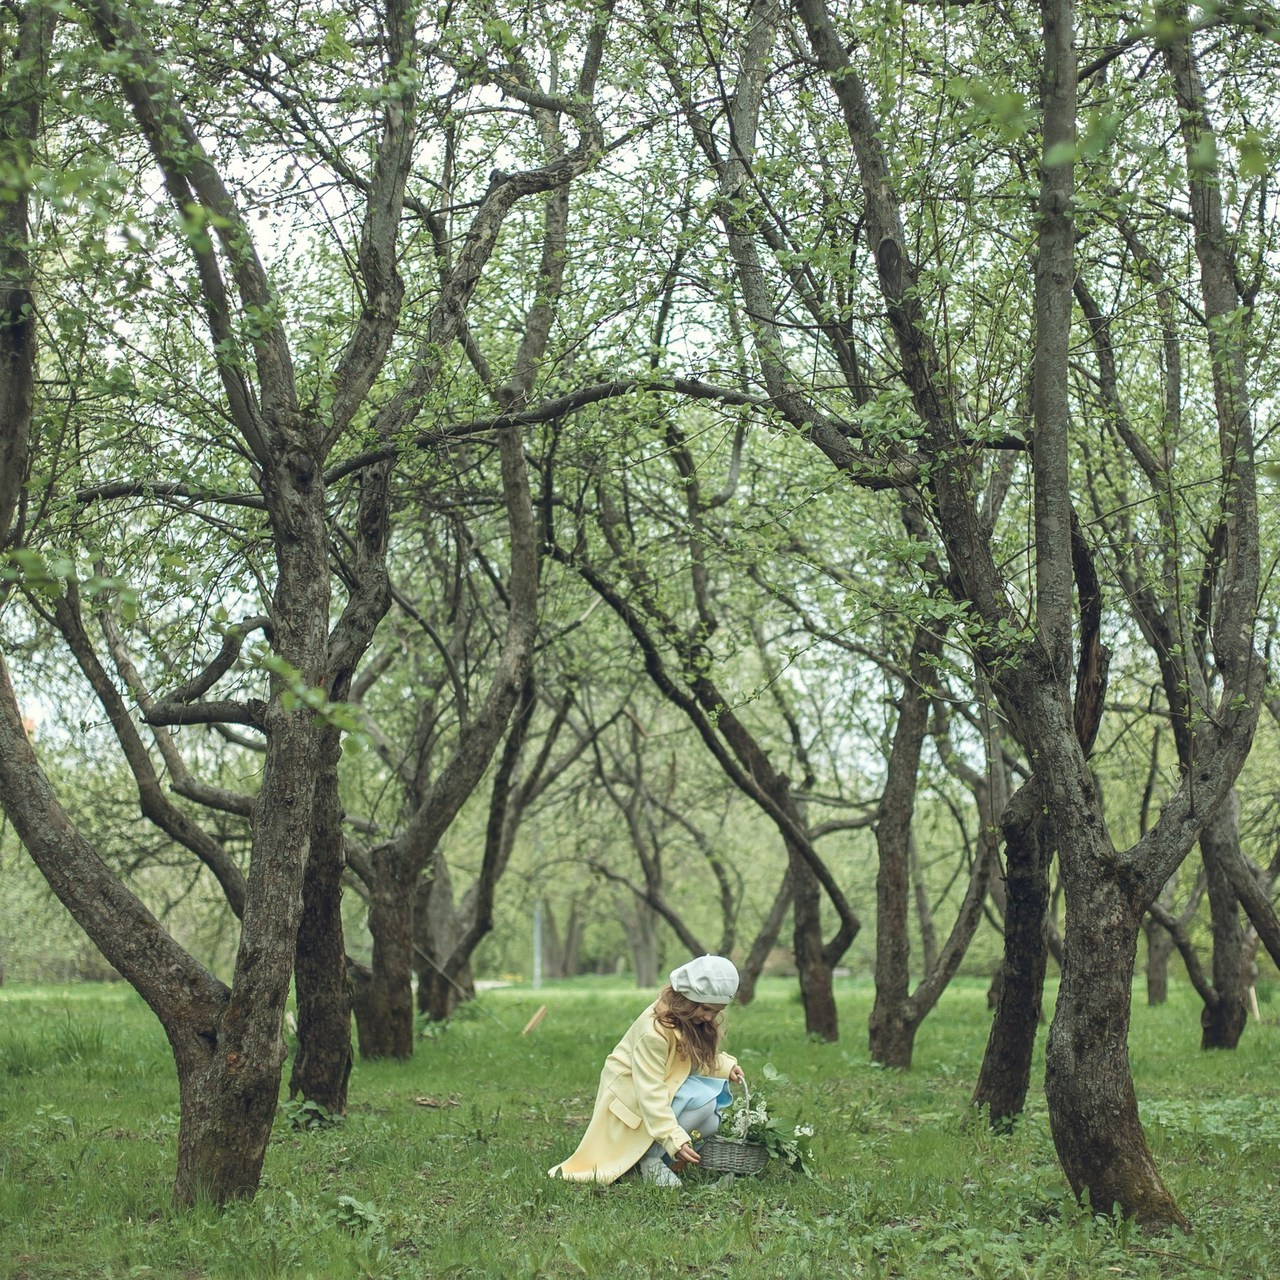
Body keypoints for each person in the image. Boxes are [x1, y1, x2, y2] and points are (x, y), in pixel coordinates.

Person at [548, 955, 747, 1187]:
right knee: (703, 1103)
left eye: (717, 1011)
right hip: (632, 1095)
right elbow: (650, 1091)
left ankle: (653, 1159)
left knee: (711, 1120)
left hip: (660, 1085)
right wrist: (673, 1138)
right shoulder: (653, 1032)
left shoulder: (689, 1020)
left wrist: (724, 1066)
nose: (709, 1017)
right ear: (687, 998)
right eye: (706, 1008)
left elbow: (686, 1059)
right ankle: (649, 1158)